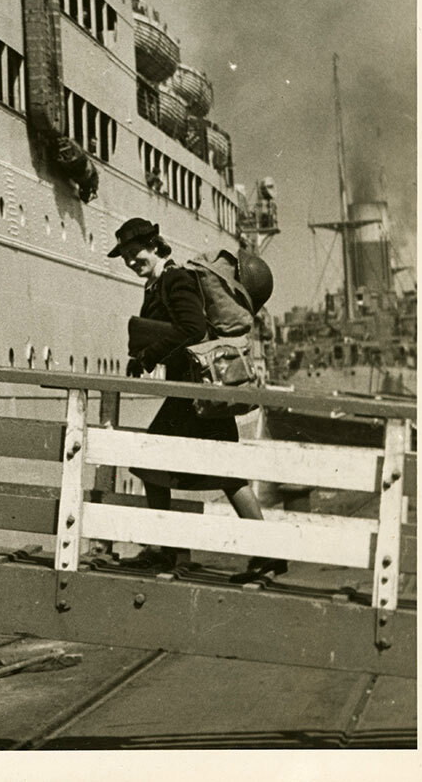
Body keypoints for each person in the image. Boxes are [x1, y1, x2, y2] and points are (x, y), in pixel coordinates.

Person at [109, 217, 286, 581]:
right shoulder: (161, 282)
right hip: (197, 391)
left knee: (155, 466)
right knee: (220, 473)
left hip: (196, 393)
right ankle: (254, 553)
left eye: (134, 252)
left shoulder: (174, 280)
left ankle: (175, 552)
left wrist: (148, 355)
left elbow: (192, 329)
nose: (130, 260)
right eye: (125, 255)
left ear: (155, 246)